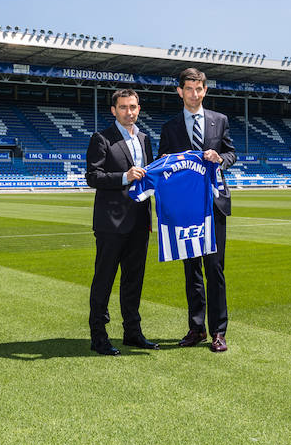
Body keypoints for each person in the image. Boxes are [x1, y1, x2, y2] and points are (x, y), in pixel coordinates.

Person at [158, 68, 236, 352]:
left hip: (214, 204)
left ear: (205, 90)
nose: (194, 94)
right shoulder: (170, 127)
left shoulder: (220, 121)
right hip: (185, 209)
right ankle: (196, 328)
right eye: (188, 89)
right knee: (191, 270)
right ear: (180, 91)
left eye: (199, 89)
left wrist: (220, 159)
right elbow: (162, 163)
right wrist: (166, 159)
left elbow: (231, 153)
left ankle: (219, 331)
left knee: (214, 268)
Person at [85, 88, 160, 356]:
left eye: (133, 107)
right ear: (114, 110)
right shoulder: (102, 138)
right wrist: (124, 177)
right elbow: (93, 177)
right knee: (104, 280)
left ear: (139, 108)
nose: (129, 112)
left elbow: (150, 176)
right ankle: (98, 335)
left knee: (133, 280)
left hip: (140, 221)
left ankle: (132, 332)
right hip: (111, 223)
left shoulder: (144, 138)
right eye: (124, 107)